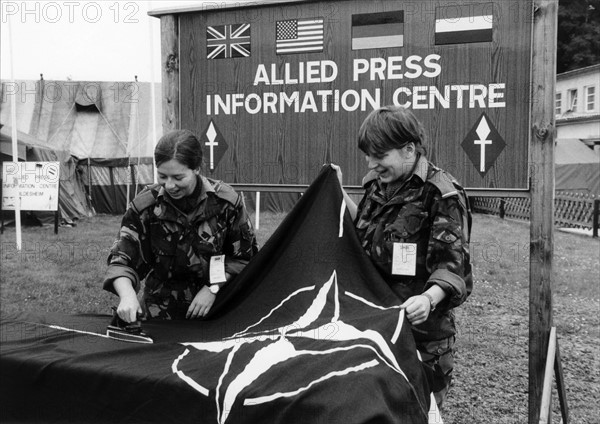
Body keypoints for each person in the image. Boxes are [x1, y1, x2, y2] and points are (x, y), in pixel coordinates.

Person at [331, 106, 472, 408]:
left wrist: (428, 299)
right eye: (368, 155)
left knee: (416, 412)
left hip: (420, 339)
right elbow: (364, 233)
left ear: (409, 149)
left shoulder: (441, 194)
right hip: (375, 330)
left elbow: (453, 268)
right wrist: (337, 192)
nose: (371, 164)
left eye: (379, 156)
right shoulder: (375, 184)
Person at [103, 129, 258, 322]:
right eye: (162, 176)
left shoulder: (226, 203)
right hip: (160, 312)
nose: (169, 186)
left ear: (196, 169)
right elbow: (121, 260)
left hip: (217, 308)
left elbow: (244, 258)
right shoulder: (146, 206)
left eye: (178, 178)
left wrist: (213, 288)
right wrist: (127, 296)